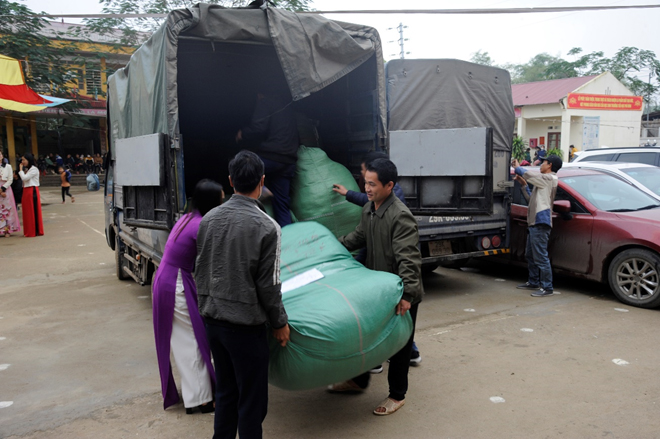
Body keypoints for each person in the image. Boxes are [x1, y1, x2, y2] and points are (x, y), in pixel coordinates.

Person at [195, 150, 290, 439]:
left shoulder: (209, 219)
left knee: (226, 395)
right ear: (262, 180)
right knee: (251, 404)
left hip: (213, 323)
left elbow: (200, 268)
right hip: (245, 329)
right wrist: (279, 323)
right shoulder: (267, 226)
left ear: (230, 180)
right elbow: (269, 286)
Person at [328, 158, 423, 416]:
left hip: (399, 293)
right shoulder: (369, 209)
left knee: (400, 347)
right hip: (377, 289)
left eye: (372, 184)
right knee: (365, 337)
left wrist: (408, 296)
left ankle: (397, 395)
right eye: (365, 183)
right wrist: (331, 246)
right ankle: (356, 380)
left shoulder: (400, 216)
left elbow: (409, 260)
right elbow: (358, 236)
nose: (367, 188)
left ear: (389, 185)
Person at [152, 179, 224, 413]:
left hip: (166, 279)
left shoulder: (188, 217)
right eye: (220, 200)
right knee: (194, 339)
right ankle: (201, 400)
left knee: (183, 339)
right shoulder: (201, 225)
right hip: (176, 284)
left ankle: (196, 395)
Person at [236, 90, 298, 228]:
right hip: (288, 159)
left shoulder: (265, 101)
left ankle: (261, 187)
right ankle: (287, 240)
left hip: (272, 156)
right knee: (282, 205)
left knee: (241, 163)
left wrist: (242, 133)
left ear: (259, 93)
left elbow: (259, 127)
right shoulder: (286, 105)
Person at [512, 155, 563, 297]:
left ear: (550, 165)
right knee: (530, 254)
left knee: (540, 257)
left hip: (541, 222)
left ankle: (547, 287)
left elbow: (531, 176)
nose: (540, 164)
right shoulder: (543, 182)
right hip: (535, 223)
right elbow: (531, 199)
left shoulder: (550, 179)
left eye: (543, 163)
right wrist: (523, 184)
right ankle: (533, 281)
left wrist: (518, 168)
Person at [19, 153, 44, 237]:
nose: (22, 162)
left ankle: (33, 231)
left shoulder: (34, 169)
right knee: (27, 211)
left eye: (24, 160)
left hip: (31, 190)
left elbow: (24, 178)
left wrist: (20, 170)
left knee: (32, 211)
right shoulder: (29, 169)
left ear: (28, 160)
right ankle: (29, 230)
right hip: (27, 190)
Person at [0, 150, 21, 237]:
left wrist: (3, 188)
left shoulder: (8, 166)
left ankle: (7, 230)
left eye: (0, 154)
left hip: (6, 188)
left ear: (2, 156)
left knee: (7, 210)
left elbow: (10, 179)